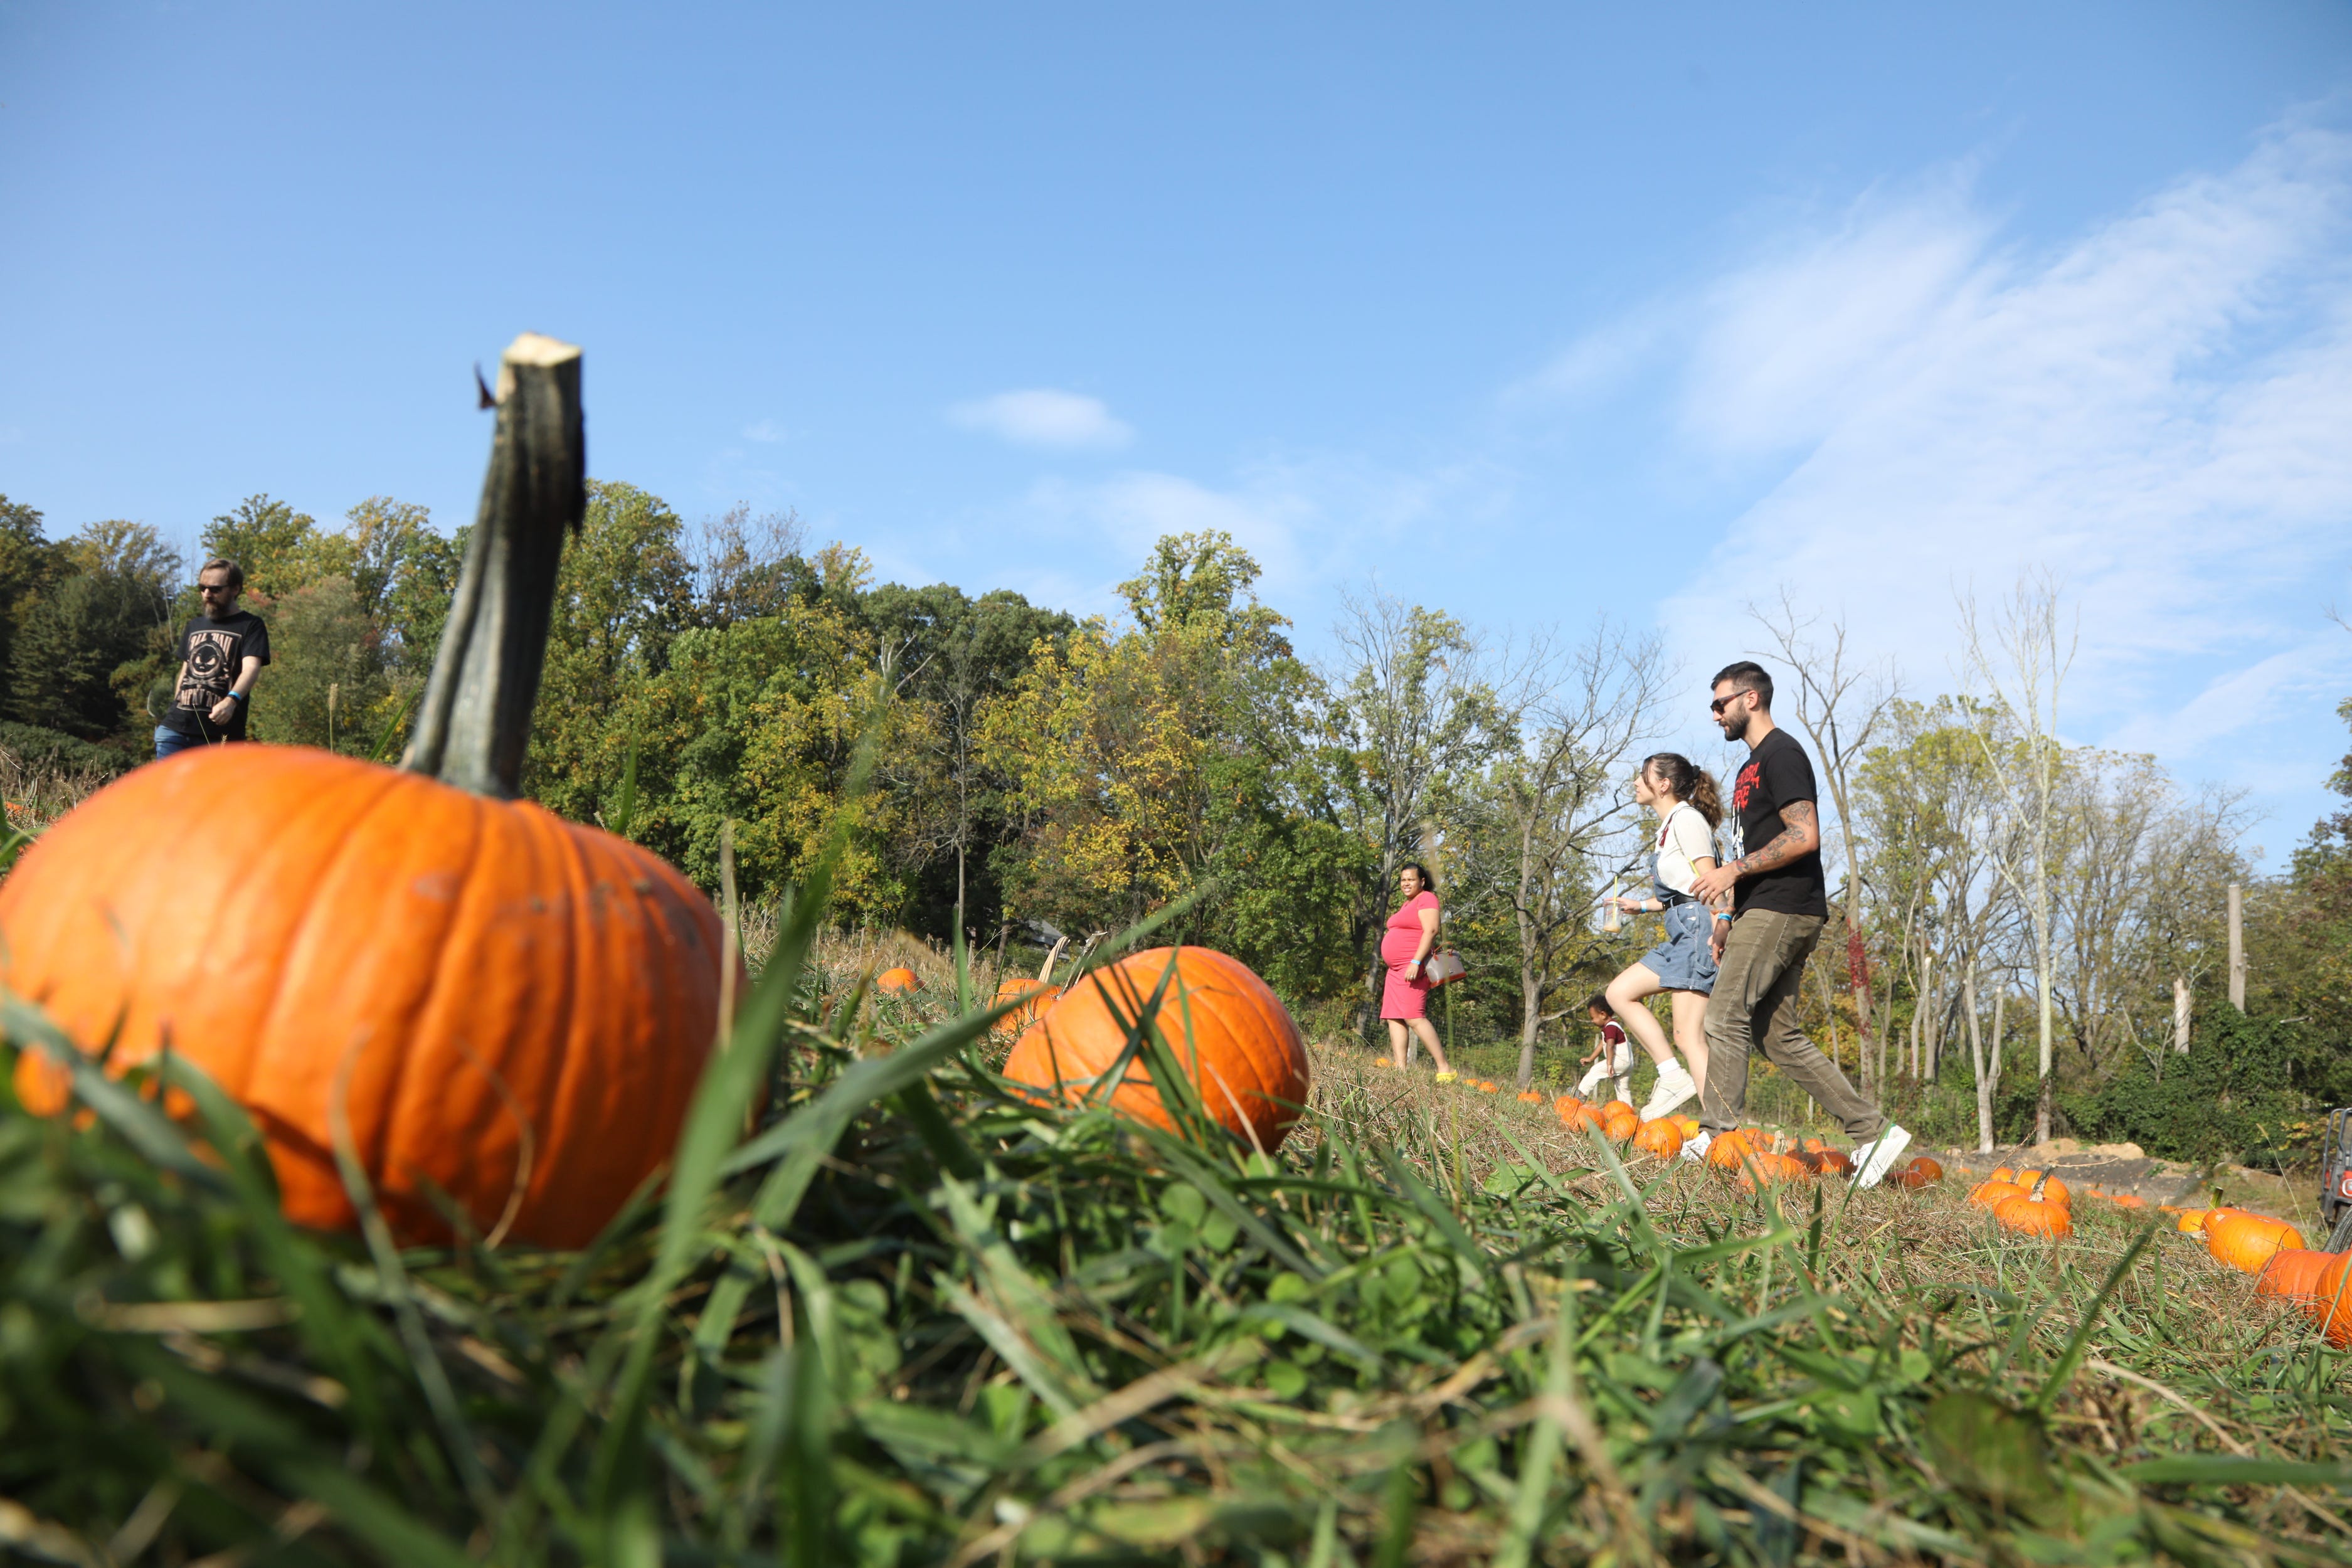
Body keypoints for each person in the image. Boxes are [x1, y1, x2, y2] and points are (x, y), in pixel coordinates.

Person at [1685, 661, 1912, 1187]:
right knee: (1778, 1036)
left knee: (1724, 1016)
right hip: (1761, 908)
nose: (1714, 713)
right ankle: (1872, 1131)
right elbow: (1750, 847)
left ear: (1751, 700)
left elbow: (1804, 835)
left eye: (1720, 703)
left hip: (1783, 906)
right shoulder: (1749, 768)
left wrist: (1732, 872)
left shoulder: (1782, 754)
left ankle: (1719, 1134)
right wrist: (1726, 918)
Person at [1601, 753, 1723, 1120]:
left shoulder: (1687, 820)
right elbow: (1685, 889)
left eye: (1643, 776)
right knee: (1618, 993)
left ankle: (1721, 1128)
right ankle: (1671, 1075)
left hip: (1699, 930)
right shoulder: (1670, 824)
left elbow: (1712, 881)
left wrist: (1722, 926)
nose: (1636, 783)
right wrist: (1643, 906)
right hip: (1681, 925)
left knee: (1689, 1038)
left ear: (1664, 785)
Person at [156, 558, 270, 761]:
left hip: (222, 736)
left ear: (235, 589)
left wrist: (231, 701)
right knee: (170, 793)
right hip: (175, 730)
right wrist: (176, 703)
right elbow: (185, 670)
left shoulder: (251, 625)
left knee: (214, 794)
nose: (207, 594)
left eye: (215, 589)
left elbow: (251, 668)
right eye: (202, 588)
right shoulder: (194, 625)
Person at [1379, 862, 1458, 1081]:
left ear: (1422, 881)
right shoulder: (1408, 904)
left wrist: (1416, 961)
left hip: (1413, 967)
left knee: (1414, 1017)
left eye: (1411, 879)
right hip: (1395, 971)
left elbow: (1432, 929)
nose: (1406, 883)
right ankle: (1400, 1069)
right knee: (1394, 1017)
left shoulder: (1427, 899)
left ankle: (1444, 1068)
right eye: (1403, 880)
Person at [1575, 992, 1634, 1103]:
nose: (1592, 1021)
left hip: (1620, 1061)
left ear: (1603, 1014)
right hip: (1628, 1062)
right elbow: (1603, 1044)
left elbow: (1610, 1045)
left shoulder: (1610, 1027)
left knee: (1595, 1071)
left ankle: (1581, 1095)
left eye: (1593, 1018)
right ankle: (1628, 1111)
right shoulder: (1612, 1026)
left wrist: (1609, 1064)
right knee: (1622, 1089)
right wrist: (1591, 1058)